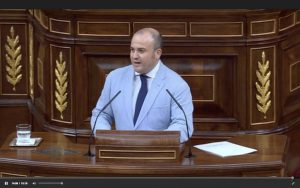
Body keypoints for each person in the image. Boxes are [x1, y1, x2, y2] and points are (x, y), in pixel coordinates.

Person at [91, 28, 193, 143]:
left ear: (157, 53)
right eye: (132, 50)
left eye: (141, 50)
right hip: (119, 153)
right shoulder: (114, 78)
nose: (134, 56)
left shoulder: (177, 85)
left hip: (158, 156)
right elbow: (101, 114)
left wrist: (154, 143)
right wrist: (107, 138)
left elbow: (183, 125)